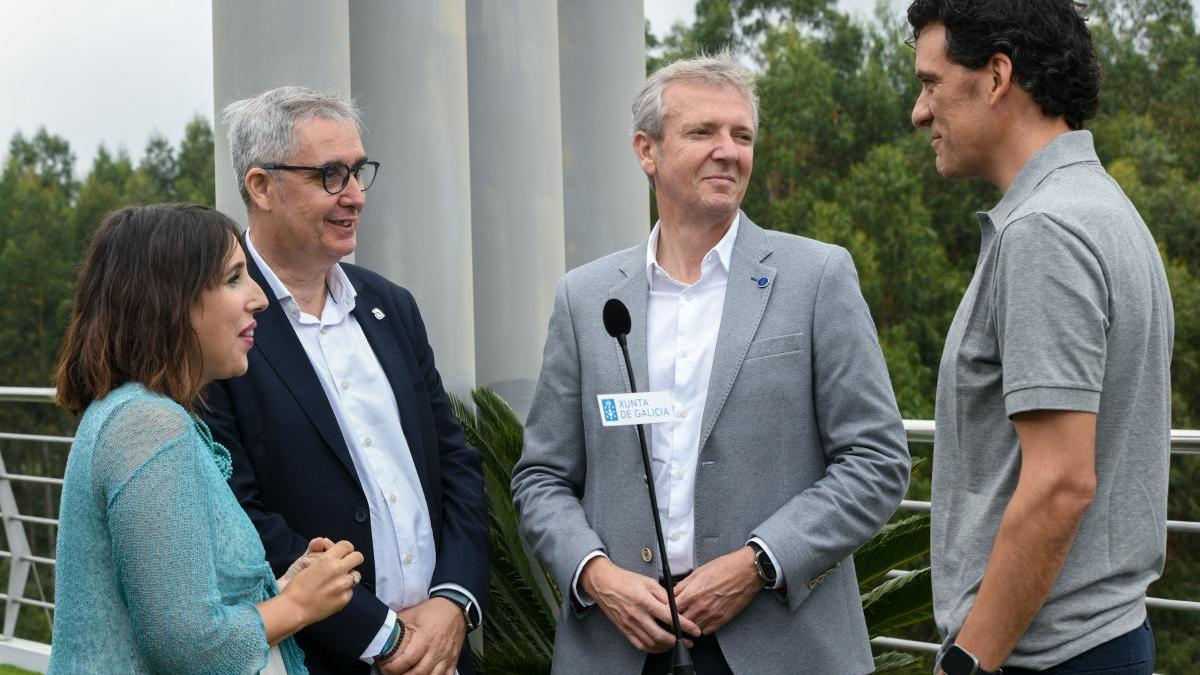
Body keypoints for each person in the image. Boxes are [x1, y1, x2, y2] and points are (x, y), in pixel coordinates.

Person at [511, 52, 911, 675]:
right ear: (647, 151)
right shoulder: (586, 298)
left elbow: (878, 461)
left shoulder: (816, 278)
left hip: (782, 644)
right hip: (620, 649)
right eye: (703, 132)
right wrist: (596, 576)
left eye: (742, 135)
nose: (728, 150)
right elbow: (541, 478)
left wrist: (759, 562)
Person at [907, 1, 1174, 673]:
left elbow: (1059, 483)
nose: (919, 111)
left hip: (1043, 656)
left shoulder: (1045, 231)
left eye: (931, 82)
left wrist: (968, 660)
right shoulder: (1105, 208)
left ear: (997, 76)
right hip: (1103, 640)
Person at [203, 86, 488, 675]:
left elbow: (454, 460)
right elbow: (239, 513)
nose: (355, 196)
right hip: (323, 658)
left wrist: (453, 601)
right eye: (330, 175)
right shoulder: (216, 322)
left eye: (358, 172)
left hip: (442, 651)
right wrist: (382, 636)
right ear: (261, 186)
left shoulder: (391, 305)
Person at [49, 203, 364, 674]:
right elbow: (189, 646)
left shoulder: (139, 416)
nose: (258, 297)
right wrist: (299, 604)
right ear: (170, 300)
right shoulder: (148, 427)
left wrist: (282, 588)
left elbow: (185, 608)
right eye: (235, 278)